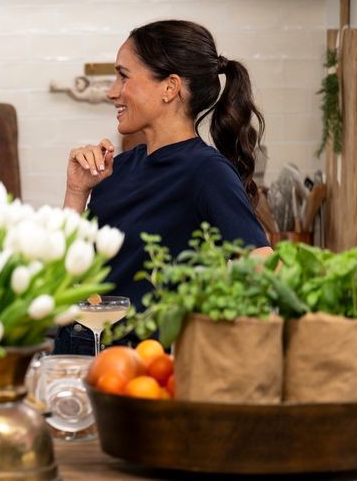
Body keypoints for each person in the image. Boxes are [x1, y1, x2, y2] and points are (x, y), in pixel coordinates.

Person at [56, 19, 273, 355]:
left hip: (141, 365)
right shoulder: (118, 168)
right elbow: (64, 275)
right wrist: (76, 191)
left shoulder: (207, 172)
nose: (112, 91)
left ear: (170, 88)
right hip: (75, 354)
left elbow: (266, 272)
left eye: (124, 76)